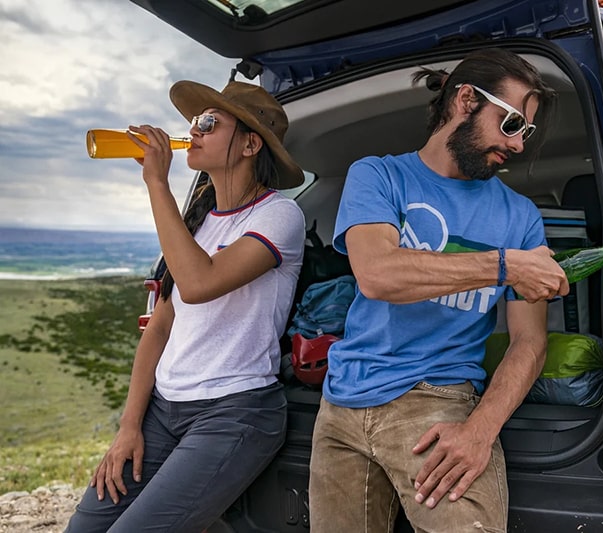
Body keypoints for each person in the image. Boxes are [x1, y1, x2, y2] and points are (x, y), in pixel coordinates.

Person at [308, 48, 570, 532]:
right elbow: (378, 274)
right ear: (465, 100)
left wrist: (479, 431)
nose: (517, 146)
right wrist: (504, 267)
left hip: (438, 405)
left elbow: (530, 343)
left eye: (526, 133)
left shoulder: (520, 217)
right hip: (341, 407)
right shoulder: (378, 175)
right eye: (511, 124)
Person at [66, 79, 306, 532]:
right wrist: (129, 426)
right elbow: (160, 327)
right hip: (164, 410)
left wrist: (156, 181)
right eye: (195, 122)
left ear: (250, 144)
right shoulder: (202, 222)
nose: (194, 131)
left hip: (236, 413)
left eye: (210, 123)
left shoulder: (279, 216)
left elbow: (199, 283)